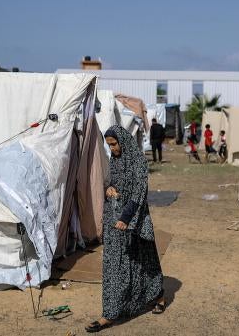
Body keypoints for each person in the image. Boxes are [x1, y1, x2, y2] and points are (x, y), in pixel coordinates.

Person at [86, 126, 165, 333]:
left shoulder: (138, 161)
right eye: (109, 145)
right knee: (114, 266)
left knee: (145, 261)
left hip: (135, 221)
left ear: (123, 141)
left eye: (114, 144)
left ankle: (158, 295)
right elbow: (115, 184)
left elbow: (139, 191)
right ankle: (109, 314)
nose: (112, 149)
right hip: (116, 222)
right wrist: (109, 188)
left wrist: (126, 218)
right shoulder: (115, 160)